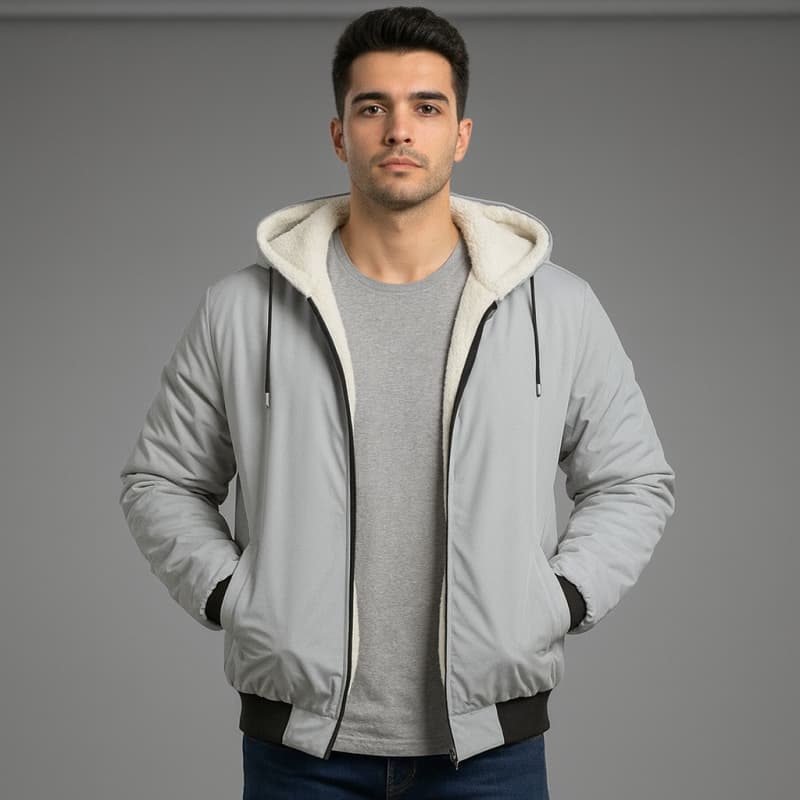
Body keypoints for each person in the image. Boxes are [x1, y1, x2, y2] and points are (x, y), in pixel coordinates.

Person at [119, 6, 676, 798]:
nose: (399, 129)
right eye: (372, 106)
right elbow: (161, 481)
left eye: (427, 106)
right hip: (299, 755)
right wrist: (234, 595)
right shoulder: (242, 311)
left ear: (462, 134)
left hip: (491, 753)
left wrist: (560, 599)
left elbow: (633, 481)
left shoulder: (557, 308)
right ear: (340, 134)